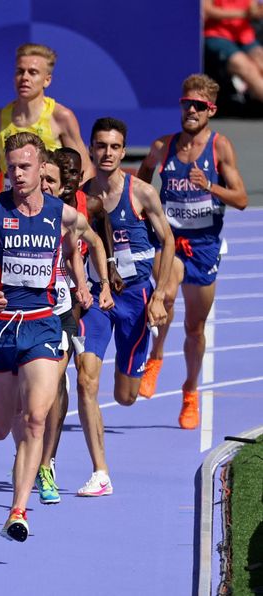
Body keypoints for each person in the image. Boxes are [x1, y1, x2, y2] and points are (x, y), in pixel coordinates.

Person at [0, 132, 89, 542]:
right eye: (11, 167)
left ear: (42, 167)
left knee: (35, 419)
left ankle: (18, 510)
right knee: (0, 427)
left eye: (24, 167)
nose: (16, 174)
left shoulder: (64, 215)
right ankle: (20, 445)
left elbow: (79, 246)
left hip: (44, 324)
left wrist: (84, 284)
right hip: (0, 326)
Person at [136, 75, 249, 428]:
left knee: (195, 328)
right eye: (187, 104)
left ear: (211, 110)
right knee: (164, 296)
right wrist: (142, 208)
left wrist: (209, 186)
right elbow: (142, 181)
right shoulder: (163, 146)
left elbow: (242, 199)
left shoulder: (220, 147)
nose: (191, 111)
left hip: (204, 245)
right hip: (170, 240)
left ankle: (190, 390)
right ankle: (155, 357)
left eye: (199, 106)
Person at [74, 117, 174, 498]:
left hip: (136, 299)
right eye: (101, 146)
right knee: (86, 379)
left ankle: (147, 362)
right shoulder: (82, 198)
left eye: (115, 147)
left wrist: (162, 295)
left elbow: (167, 240)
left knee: (125, 397)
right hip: (100, 298)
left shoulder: (142, 193)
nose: (107, 153)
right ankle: (100, 471)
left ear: (123, 149)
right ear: (91, 148)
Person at [35, 149, 115, 506]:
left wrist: (106, 277)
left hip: (75, 304)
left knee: (81, 380)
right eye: (51, 176)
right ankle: (39, 456)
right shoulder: (30, 207)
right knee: (43, 388)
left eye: (66, 174)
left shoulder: (86, 207)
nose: (58, 182)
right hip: (37, 305)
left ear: (75, 177)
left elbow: (97, 240)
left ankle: (91, 469)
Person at [0, 43, 93, 207]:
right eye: (20, 71)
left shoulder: (61, 117)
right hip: (12, 205)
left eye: (32, 72)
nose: (25, 77)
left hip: (50, 206)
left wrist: (75, 204)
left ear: (47, 80)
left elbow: (86, 169)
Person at [203, 0, 263, 103]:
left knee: (260, 60)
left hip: (244, 35)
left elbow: (253, 8)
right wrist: (243, 13)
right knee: (246, 67)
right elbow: (207, 10)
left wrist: (257, 10)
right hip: (217, 34)